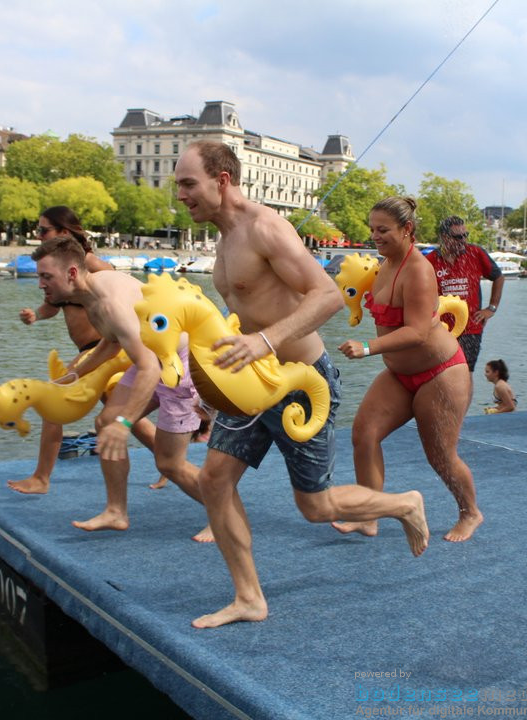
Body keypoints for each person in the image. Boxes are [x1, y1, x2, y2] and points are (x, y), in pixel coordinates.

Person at [174, 141, 429, 629]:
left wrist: (265, 341)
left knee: (316, 506)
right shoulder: (225, 238)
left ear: (222, 180)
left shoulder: (266, 228)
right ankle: (249, 597)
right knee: (214, 482)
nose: (180, 195)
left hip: (302, 384)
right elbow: (250, 309)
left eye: (189, 183)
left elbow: (328, 295)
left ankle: (403, 504)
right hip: (252, 384)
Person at [29, 236, 212, 540]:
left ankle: (225, 511)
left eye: (46, 276)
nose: (40, 285)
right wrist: (70, 377)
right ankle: (116, 511)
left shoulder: (110, 304)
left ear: (72, 274)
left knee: (169, 462)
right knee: (104, 422)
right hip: (154, 358)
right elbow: (110, 346)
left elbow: (149, 368)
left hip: (179, 366)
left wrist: (126, 422)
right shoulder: (92, 293)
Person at [337, 196, 482, 544]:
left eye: (383, 229)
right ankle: (369, 515)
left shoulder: (418, 269)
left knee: (440, 456)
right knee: (364, 434)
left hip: (441, 373)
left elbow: (417, 331)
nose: (375, 235)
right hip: (400, 375)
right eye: (372, 229)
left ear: (407, 229)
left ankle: (470, 512)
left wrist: (368, 347)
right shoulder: (384, 264)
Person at [9, 207, 165, 496]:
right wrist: (36, 316)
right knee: (118, 413)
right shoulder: (57, 273)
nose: (38, 235)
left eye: (44, 231)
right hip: (97, 350)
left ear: (64, 233)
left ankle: (42, 478)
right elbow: (53, 306)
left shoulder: (92, 268)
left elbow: (123, 299)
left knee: (55, 402)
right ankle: (167, 464)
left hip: (110, 347)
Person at [425, 216, 505, 371]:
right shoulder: (431, 260)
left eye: (465, 235)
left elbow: (499, 277)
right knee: (441, 372)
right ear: (444, 237)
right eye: (458, 237)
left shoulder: (475, 253)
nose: (463, 240)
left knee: (465, 372)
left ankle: (465, 397)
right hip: (441, 329)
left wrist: (491, 308)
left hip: (471, 328)